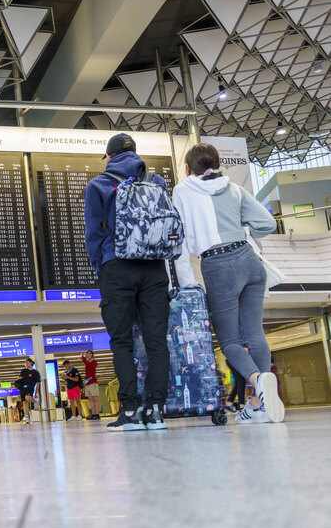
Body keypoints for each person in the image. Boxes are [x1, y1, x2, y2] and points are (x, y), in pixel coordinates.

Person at [172, 143, 282, 424]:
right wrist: (244, 230)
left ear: (188, 168)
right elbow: (268, 223)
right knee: (255, 335)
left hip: (218, 266)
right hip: (248, 260)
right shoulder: (233, 187)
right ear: (217, 163)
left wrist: (187, 280)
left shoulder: (182, 191)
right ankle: (257, 405)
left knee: (230, 341)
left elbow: (180, 240)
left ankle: (258, 382)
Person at [84, 133, 170, 432]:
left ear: (108, 157)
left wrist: (102, 266)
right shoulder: (157, 182)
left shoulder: (98, 185)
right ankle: (157, 410)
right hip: (154, 267)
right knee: (157, 341)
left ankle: (131, 411)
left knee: (122, 342)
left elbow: (93, 233)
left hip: (117, 266)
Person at [81, 349, 101, 420]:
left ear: (92, 355)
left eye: (88, 353)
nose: (87, 354)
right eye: (86, 353)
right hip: (88, 383)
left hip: (93, 382)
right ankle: (93, 414)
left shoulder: (93, 362)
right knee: (90, 399)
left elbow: (88, 364)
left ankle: (97, 414)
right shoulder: (87, 362)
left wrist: (83, 358)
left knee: (95, 399)